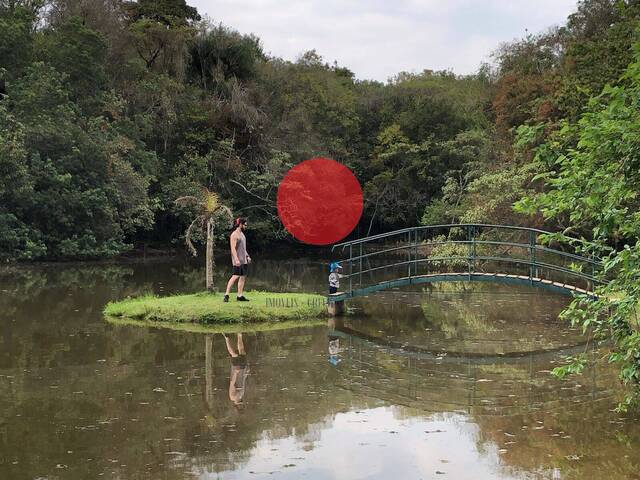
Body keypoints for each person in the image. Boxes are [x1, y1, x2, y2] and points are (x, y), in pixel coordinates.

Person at [224, 218, 251, 302]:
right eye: (245, 225)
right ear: (240, 225)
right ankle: (226, 295)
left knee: (243, 277)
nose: (246, 226)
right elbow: (233, 249)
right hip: (237, 260)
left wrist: (247, 256)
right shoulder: (234, 235)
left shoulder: (242, 234)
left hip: (244, 260)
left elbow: (243, 248)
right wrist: (236, 259)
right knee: (235, 276)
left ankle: (239, 295)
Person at [222, 333, 250, 407]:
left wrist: (235, 373)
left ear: (236, 404)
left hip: (236, 370)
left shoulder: (233, 396)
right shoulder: (241, 395)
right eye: (241, 402)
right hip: (242, 370)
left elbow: (232, 383)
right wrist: (246, 374)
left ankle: (226, 338)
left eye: (239, 403)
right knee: (242, 352)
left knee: (234, 354)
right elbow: (242, 382)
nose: (240, 401)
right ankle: (239, 335)